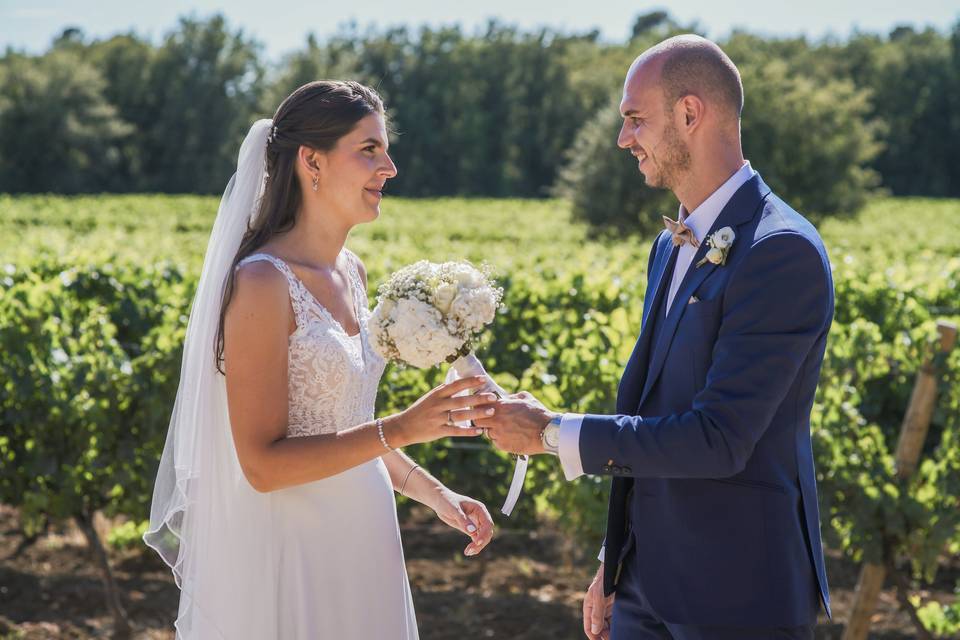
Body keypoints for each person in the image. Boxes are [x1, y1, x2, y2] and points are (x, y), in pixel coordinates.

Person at [478, 35, 833, 640]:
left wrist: (548, 432)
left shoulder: (782, 252)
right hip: (644, 589)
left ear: (690, 113)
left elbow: (718, 439)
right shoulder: (669, 246)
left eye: (635, 120)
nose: (623, 139)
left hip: (738, 596)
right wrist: (612, 561)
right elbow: (649, 408)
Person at [144, 80, 496, 639]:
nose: (391, 167)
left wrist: (435, 494)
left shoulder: (352, 274)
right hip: (297, 549)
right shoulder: (261, 282)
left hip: (366, 539)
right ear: (311, 160)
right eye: (369, 150)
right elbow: (262, 466)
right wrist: (403, 427)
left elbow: (346, 430)